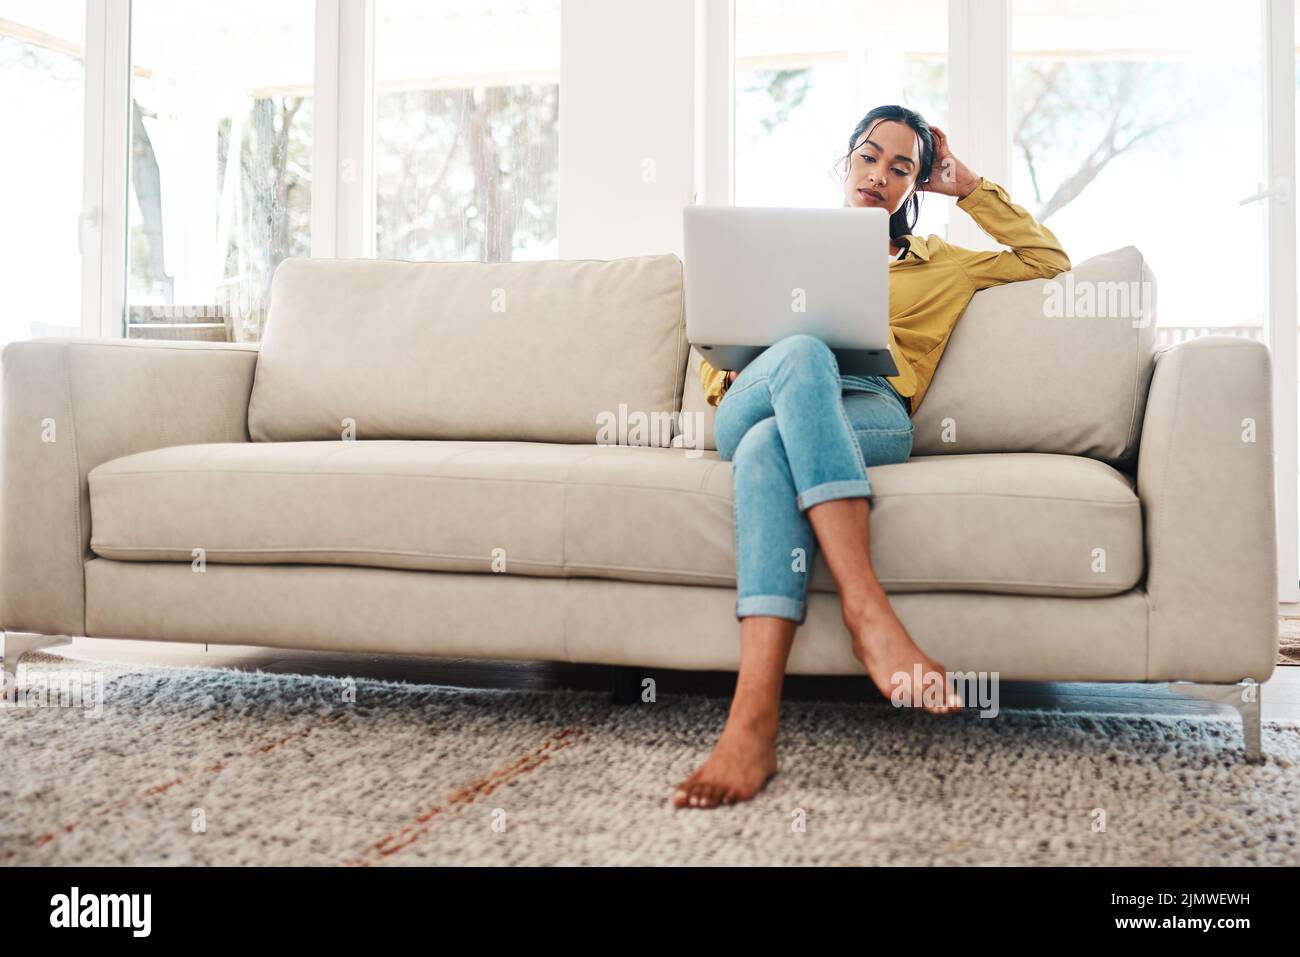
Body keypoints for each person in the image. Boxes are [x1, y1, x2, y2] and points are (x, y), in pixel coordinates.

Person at [673, 104, 1071, 810]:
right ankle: (869, 612)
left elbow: (1048, 260)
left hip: (872, 412)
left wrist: (969, 184)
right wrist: (745, 365)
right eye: (868, 156)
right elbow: (714, 357)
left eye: (902, 167)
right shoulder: (780, 249)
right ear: (846, 162)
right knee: (799, 355)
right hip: (761, 391)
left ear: (916, 185)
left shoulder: (941, 265)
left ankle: (751, 723)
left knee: (771, 446)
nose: (880, 174)